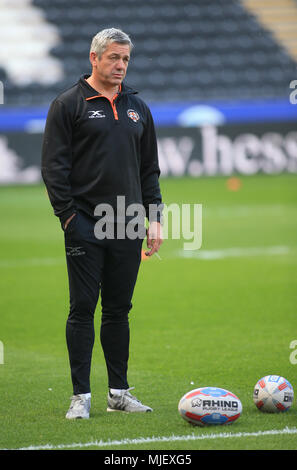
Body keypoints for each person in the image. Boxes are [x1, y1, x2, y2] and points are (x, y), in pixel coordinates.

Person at [41, 28, 163, 419]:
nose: (121, 65)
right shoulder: (68, 105)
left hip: (127, 225)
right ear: (94, 58)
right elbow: (53, 168)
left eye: (125, 59)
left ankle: (118, 393)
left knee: (118, 311)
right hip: (85, 224)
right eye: (114, 57)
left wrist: (154, 219)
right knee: (81, 309)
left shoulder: (138, 108)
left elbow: (149, 170)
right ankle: (80, 397)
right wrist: (68, 217)